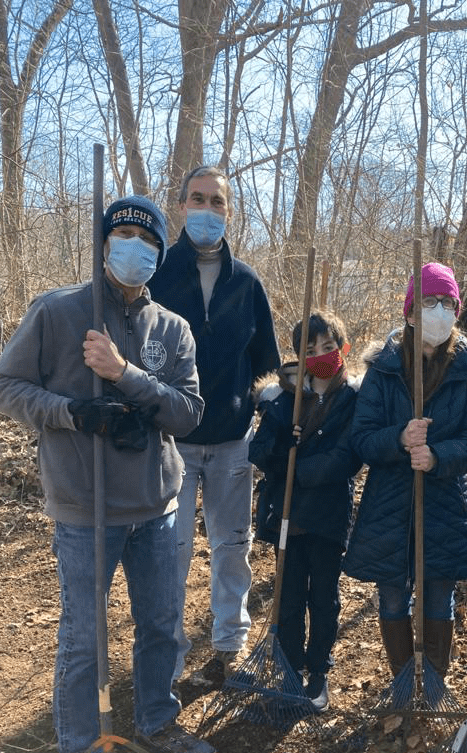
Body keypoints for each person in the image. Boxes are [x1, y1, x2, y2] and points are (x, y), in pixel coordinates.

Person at [0, 195, 216, 753]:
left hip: (157, 506)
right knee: (85, 640)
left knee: (163, 626)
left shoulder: (172, 329)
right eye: (122, 235)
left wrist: (125, 379)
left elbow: (189, 414)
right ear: (104, 243)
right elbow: (0, 386)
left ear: (159, 256)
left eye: (147, 242)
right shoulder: (58, 312)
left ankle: (156, 720)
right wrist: (68, 412)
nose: (134, 248)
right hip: (84, 509)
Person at [149, 166, 280, 689]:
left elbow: (267, 362)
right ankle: (169, 660)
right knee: (171, 554)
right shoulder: (156, 275)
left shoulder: (247, 282)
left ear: (230, 211)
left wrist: (274, 414)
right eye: (198, 200)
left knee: (232, 548)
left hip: (231, 442)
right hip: (170, 443)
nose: (208, 210)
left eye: (218, 202)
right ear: (182, 207)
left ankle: (230, 646)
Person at [342, 263, 467, 685]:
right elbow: (362, 438)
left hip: (444, 502)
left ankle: (434, 682)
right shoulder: (384, 367)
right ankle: (403, 680)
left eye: (448, 303)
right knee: (391, 592)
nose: (440, 310)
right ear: (410, 311)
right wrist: (399, 439)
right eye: (429, 302)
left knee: (439, 593)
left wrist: (438, 456)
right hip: (389, 503)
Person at [248, 311, 361, 711]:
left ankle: (318, 672)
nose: (321, 356)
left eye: (328, 347)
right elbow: (258, 452)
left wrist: (301, 469)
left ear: (343, 348)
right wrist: (284, 448)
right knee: (289, 595)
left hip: (328, 516)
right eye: (310, 350)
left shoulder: (353, 399)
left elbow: (347, 458)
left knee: (324, 598)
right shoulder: (285, 398)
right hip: (288, 517)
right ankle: (290, 668)